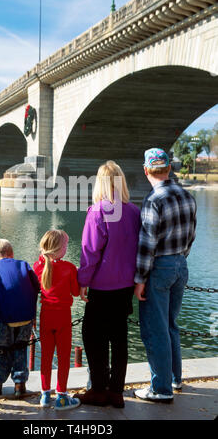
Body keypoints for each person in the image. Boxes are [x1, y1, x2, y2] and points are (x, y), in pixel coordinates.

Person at [74, 160, 141, 408]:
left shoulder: (97, 212)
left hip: (102, 287)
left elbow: (90, 252)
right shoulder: (134, 212)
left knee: (93, 336)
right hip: (125, 286)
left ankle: (99, 390)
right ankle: (117, 392)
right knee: (119, 337)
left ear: (99, 183)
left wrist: (83, 281)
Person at [133, 148, 197, 403]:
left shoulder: (153, 200)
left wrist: (140, 279)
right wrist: (179, 258)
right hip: (181, 264)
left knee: (155, 328)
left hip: (160, 267)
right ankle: (174, 378)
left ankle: (160, 389)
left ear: (146, 170)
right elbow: (191, 235)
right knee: (171, 324)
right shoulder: (187, 196)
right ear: (169, 168)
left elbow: (147, 244)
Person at [0, 238, 39, 399]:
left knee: (0, 348)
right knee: (21, 347)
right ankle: (20, 384)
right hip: (26, 316)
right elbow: (36, 286)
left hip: (4, 317)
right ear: (12, 254)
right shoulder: (24, 265)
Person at [33, 229, 81, 411]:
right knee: (62, 358)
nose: (67, 248)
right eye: (66, 245)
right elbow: (76, 292)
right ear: (59, 248)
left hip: (45, 315)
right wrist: (77, 273)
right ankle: (61, 396)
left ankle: (45, 395)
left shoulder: (37, 267)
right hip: (63, 317)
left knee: (45, 357)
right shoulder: (69, 268)